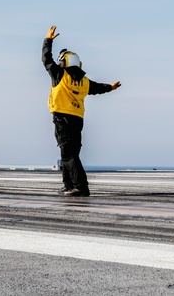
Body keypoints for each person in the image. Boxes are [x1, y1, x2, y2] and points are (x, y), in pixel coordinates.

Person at [42, 25, 121, 197]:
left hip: (62, 117)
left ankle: (81, 187)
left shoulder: (60, 75)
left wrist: (47, 40)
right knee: (69, 153)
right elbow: (98, 88)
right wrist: (111, 87)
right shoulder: (84, 81)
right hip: (77, 119)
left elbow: (46, 59)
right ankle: (68, 185)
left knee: (68, 154)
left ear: (63, 62)